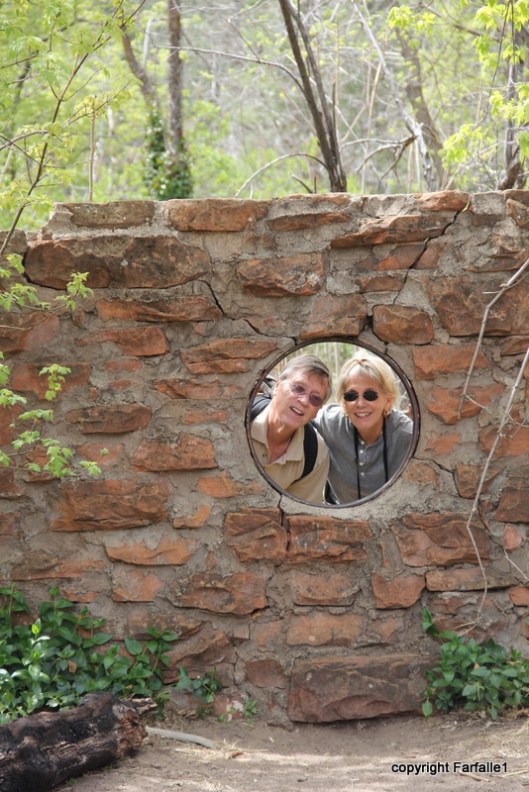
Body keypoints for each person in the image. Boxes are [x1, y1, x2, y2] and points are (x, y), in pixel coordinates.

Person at [313, 351, 413, 504]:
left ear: (388, 400)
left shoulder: (407, 435)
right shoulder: (330, 423)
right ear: (343, 402)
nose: (360, 404)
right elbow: (297, 412)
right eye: (351, 396)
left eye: (370, 395)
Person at [249, 354, 332, 503]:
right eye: (298, 388)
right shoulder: (240, 420)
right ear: (277, 386)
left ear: (317, 412)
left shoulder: (314, 453)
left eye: (315, 398)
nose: (305, 401)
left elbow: (300, 516)